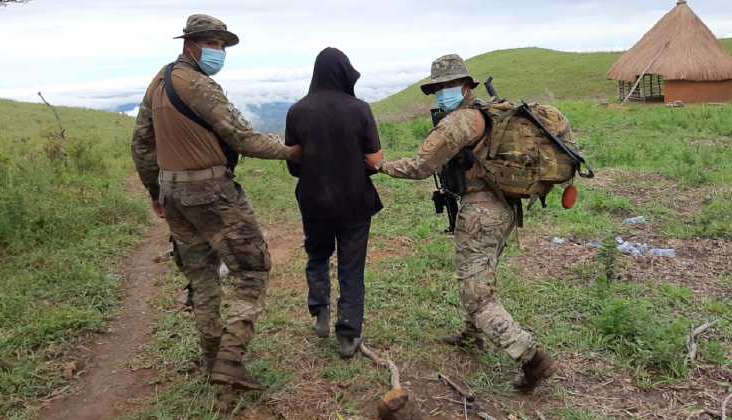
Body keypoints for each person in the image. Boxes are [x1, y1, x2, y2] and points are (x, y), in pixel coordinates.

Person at [131, 14, 301, 391]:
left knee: (201, 277)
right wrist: (290, 151)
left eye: (222, 45)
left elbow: (142, 144)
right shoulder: (200, 86)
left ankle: (211, 358)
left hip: (174, 194)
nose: (219, 51)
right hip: (211, 194)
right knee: (252, 269)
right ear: (191, 44)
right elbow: (241, 137)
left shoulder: (157, 83)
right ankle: (230, 358)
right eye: (213, 43)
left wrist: (155, 193)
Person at [371, 54, 557, 392]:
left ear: (466, 87)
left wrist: (381, 166)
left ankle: (532, 358)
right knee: (478, 277)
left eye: (447, 86)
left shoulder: (458, 123)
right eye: (437, 88)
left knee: (477, 296)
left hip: (482, 212)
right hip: (504, 208)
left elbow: (420, 165)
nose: (442, 93)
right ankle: (472, 337)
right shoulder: (485, 114)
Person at [285, 48, 384, 358]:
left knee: (317, 256)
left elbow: (293, 162)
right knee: (351, 268)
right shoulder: (360, 109)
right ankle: (348, 336)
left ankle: (320, 312)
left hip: (314, 202)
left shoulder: (297, 111)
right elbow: (375, 161)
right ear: (344, 73)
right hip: (355, 203)